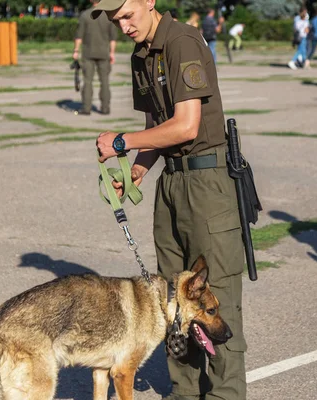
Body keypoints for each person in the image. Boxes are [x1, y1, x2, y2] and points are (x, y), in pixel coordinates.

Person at [91, 0, 248, 398]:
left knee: (216, 298)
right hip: (172, 183)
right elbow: (155, 128)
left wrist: (121, 143)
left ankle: (224, 394)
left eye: (127, 15)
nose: (123, 26)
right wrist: (137, 171)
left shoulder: (182, 42)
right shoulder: (142, 54)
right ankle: (183, 391)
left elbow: (185, 125)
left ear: (149, 1)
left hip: (208, 186)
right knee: (172, 302)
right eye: (115, 20)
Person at [73, 0, 118, 115]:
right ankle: (105, 108)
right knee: (105, 82)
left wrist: (76, 51)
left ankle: (86, 108)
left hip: (88, 53)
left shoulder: (85, 15)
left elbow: (79, 36)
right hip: (104, 53)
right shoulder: (109, 15)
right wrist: (112, 53)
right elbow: (113, 38)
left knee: (87, 81)